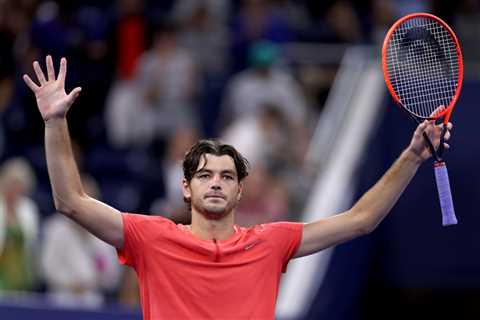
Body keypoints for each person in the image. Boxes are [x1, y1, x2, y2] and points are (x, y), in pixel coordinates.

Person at [23, 56, 451, 319]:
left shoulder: (271, 242)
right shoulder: (150, 237)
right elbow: (71, 202)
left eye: (227, 176)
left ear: (240, 192)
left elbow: (360, 220)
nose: (216, 183)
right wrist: (56, 122)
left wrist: (412, 155)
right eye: (205, 175)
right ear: (186, 189)